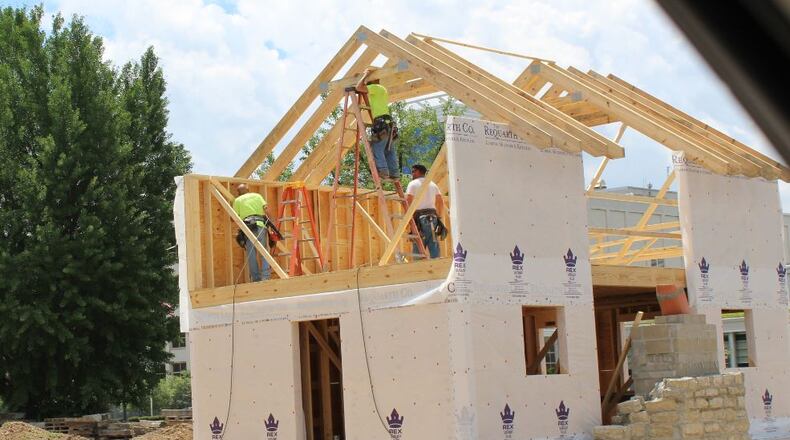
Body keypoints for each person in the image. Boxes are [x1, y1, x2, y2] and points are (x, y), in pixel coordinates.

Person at [356, 69, 400, 180]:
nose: (366, 83)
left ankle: (383, 171)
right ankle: (394, 173)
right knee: (389, 150)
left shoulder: (375, 87)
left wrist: (365, 75)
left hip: (381, 123)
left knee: (377, 147)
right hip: (389, 124)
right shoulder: (382, 89)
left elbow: (358, 87)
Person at [405, 164, 445, 259]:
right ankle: (436, 265)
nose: (412, 174)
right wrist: (439, 216)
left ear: (419, 172)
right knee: (434, 244)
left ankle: (418, 267)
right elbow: (440, 201)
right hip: (433, 218)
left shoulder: (413, 184)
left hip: (419, 219)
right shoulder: (432, 184)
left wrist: (407, 219)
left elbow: (408, 201)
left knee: (418, 248)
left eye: (413, 171)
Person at [233, 184, 270, 282]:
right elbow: (266, 210)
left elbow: (234, 217)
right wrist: (271, 222)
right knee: (264, 252)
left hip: (247, 228)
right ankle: (265, 277)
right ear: (248, 189)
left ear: (238, 193)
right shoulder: (257, 196)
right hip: (260, 225)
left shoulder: (237, 200)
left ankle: (256, 279)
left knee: (251, 254)